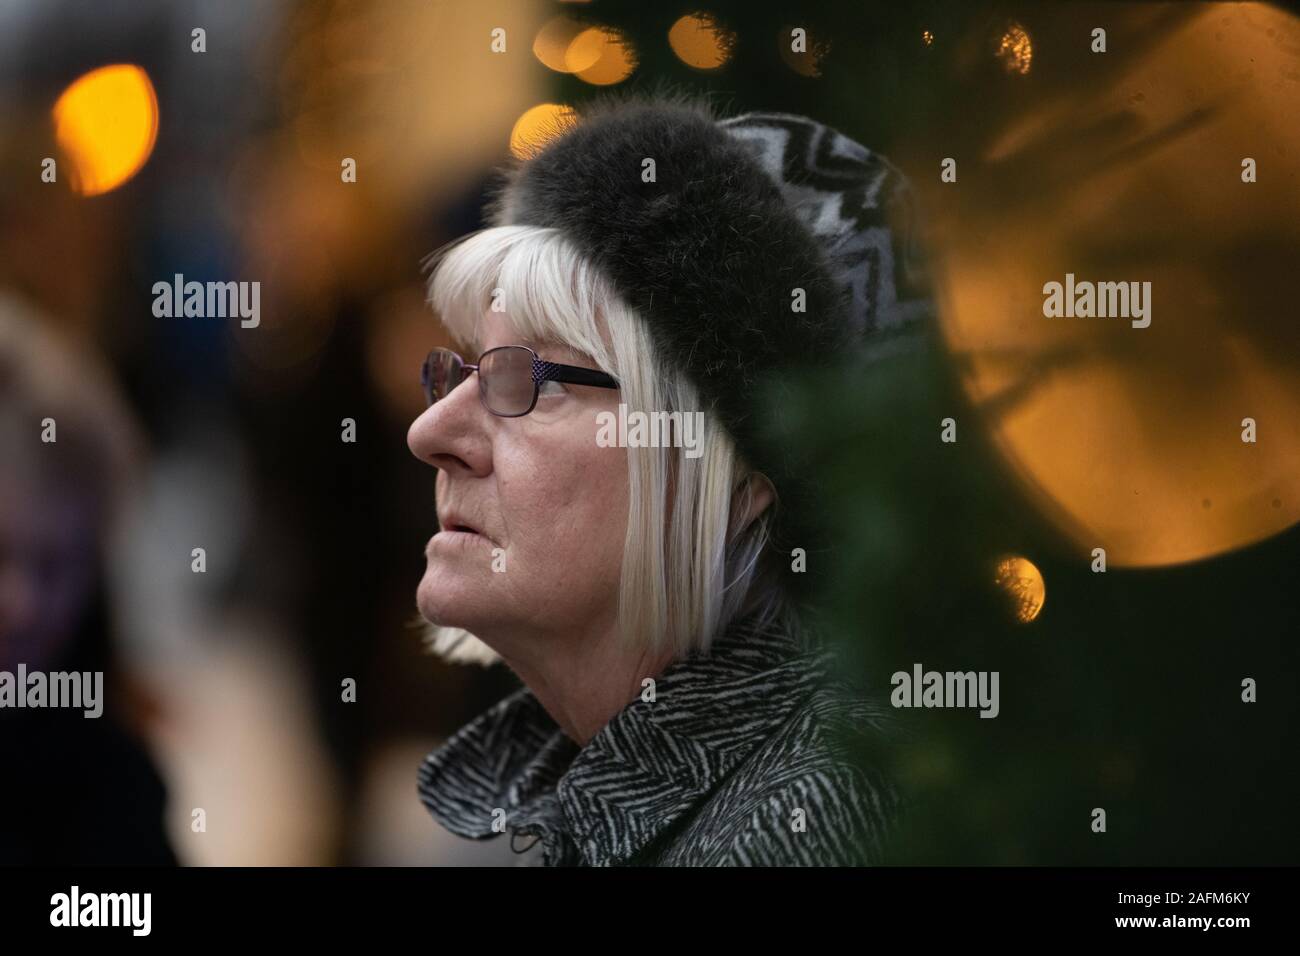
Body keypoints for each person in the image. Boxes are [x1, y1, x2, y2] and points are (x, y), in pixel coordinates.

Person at [407, 91, 931, 866]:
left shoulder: (809, 827)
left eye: (526, 380)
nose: (430, 434)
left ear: (742, 482)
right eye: (461, 371)